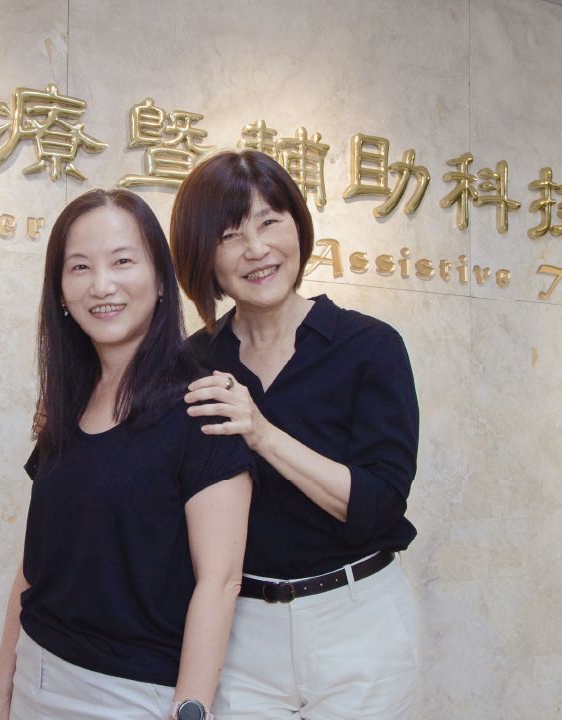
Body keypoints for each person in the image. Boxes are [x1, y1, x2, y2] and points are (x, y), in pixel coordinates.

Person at [0, 188, 254, 720]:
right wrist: (0, 694)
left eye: (123, 261)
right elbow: (34, 566)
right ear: (61, 291)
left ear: (160, 280)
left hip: (133, 695)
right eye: (80, 267)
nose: (101, 285)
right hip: (38, 672)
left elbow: (220, 582)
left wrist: (191, 708)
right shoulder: (65, 404)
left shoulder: (203, 407)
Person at [169, 150, 421, 719]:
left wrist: (261, 433)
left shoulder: (369, 346)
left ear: (298, 228)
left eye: (270, 221)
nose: (257, 249)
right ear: (204, 257)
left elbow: (381, 504)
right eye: (230, 235)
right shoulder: (191, 363)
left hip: (358, 621)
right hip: (240, 630)